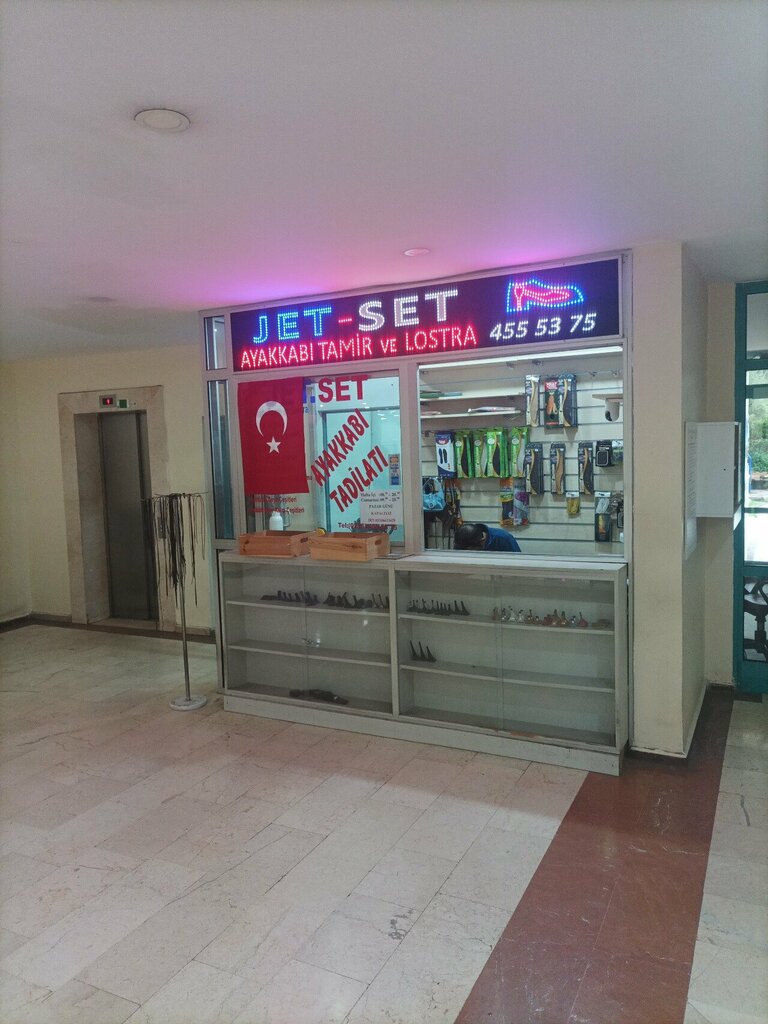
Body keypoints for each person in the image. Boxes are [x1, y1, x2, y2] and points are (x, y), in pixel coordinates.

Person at [454, 522, 521, 552]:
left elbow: (517, 563)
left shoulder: (504, 538)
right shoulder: (462, 541)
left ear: (482, 541)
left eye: (471, 550)